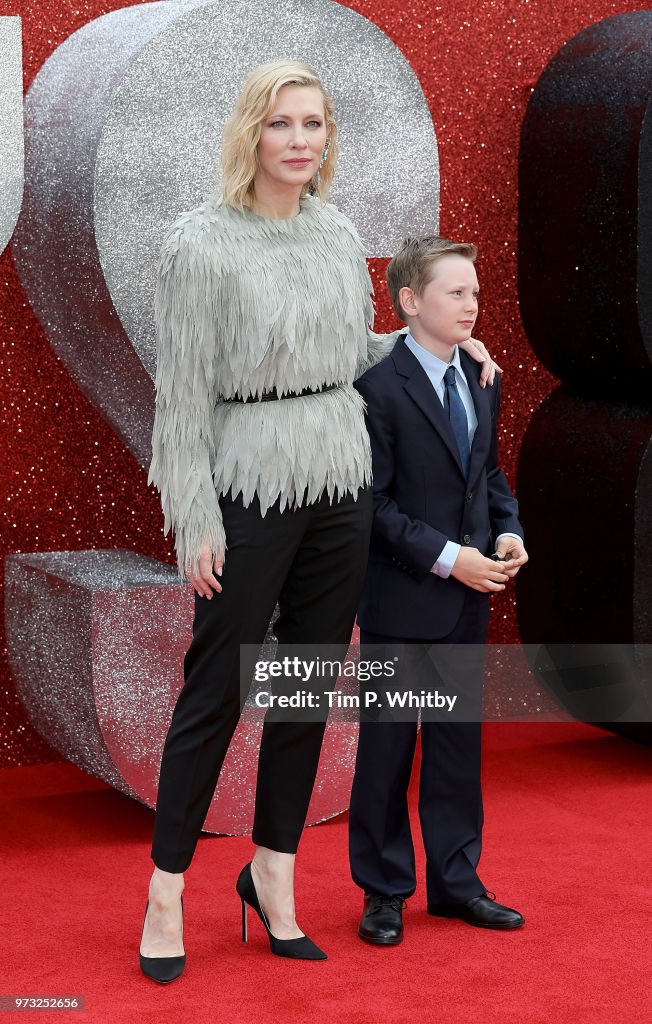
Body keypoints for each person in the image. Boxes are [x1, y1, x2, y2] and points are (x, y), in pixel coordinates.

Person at [138, 62, 498, 981]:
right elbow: (181, 398)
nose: (300, 140)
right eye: (281, 123)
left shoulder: (337, 233)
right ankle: (167, 892)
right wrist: (194, 516)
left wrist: (442, 337)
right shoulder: (200, 244)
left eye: (315, 123)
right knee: (216, 689)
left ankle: (273, 875)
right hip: (248, 486)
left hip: (341, 481)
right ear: (250, 133)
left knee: (301, 688)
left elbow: (346, 352)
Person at [348, 236, 528, 945]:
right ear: (410, 302)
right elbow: (371, 506)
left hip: (466, 602)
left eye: (474, 292)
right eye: (456, 292)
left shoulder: (482, 376)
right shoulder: (377, 390)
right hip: (401, 599)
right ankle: (383, 890)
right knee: (387, 753)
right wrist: (452, 560)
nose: (471, 304)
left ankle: (457, 883)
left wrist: (508, 530)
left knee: (456, 752)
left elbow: (488, 474)